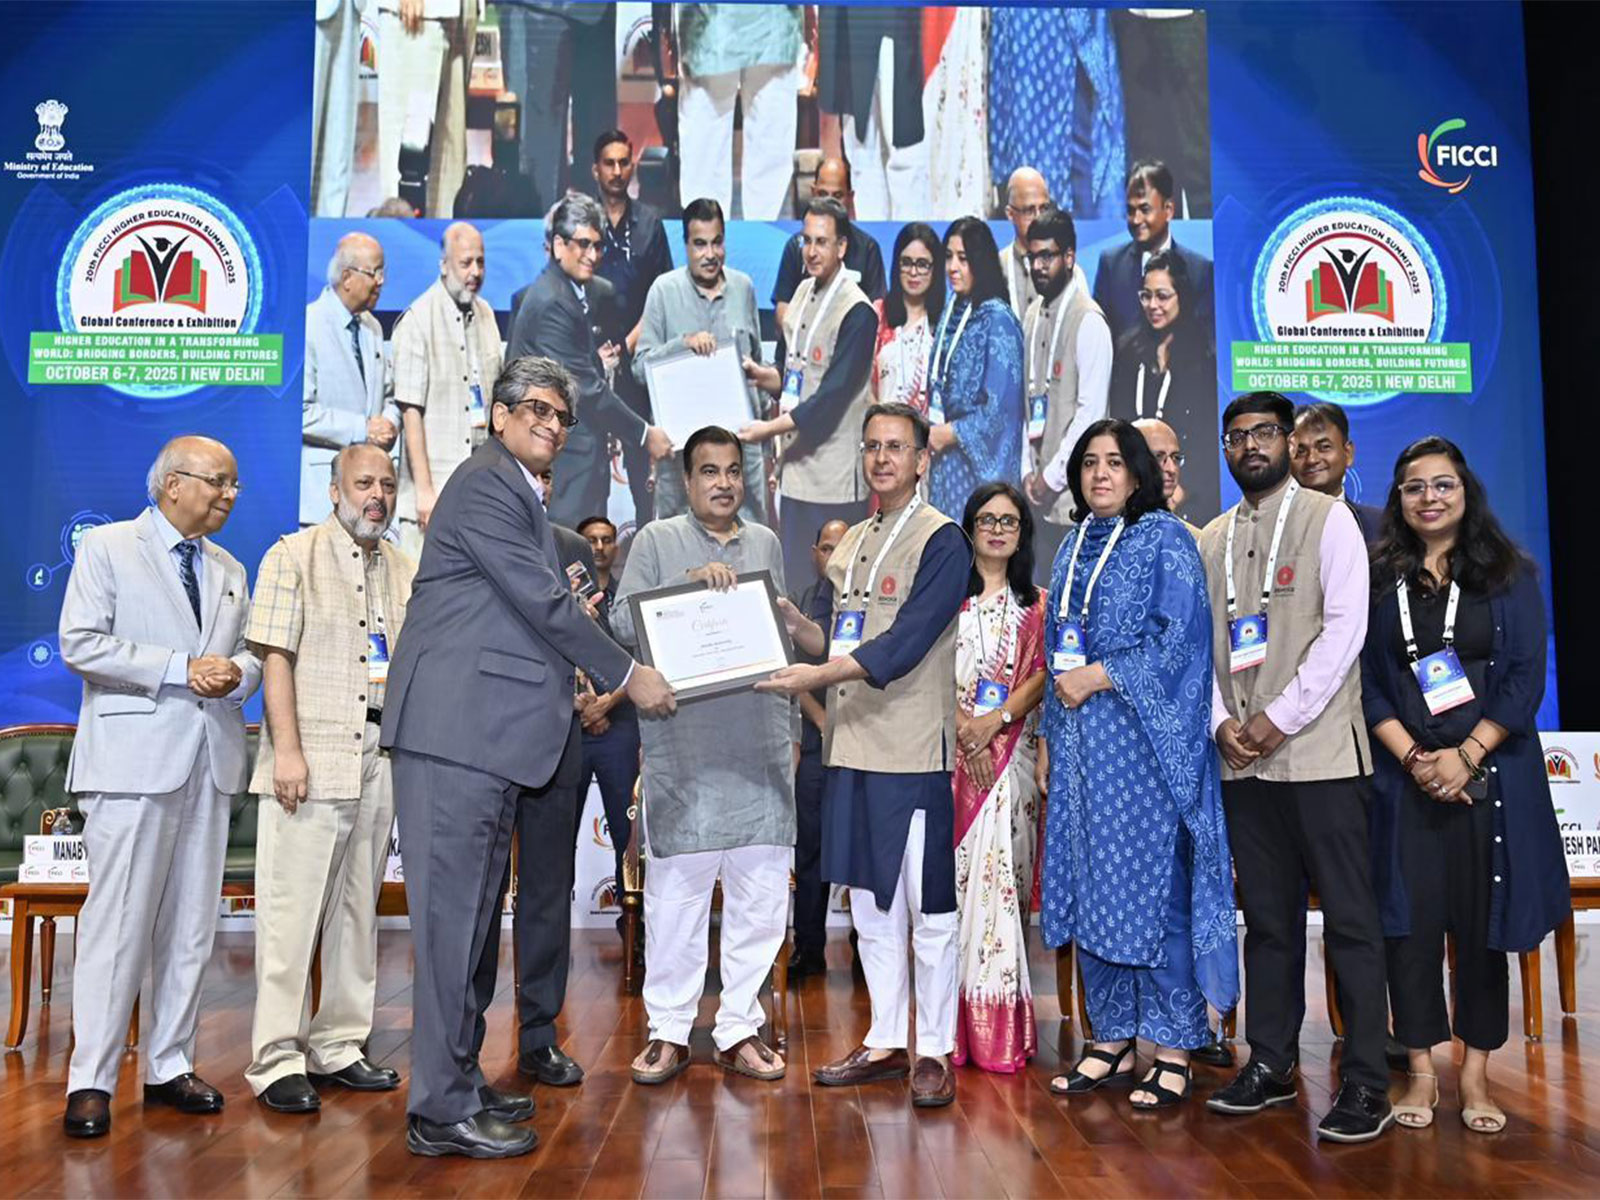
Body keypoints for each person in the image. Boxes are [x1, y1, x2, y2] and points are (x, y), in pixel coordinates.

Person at [379, 355, 676, 1158]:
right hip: (456, 734)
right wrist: (628, 674)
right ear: (500, 415)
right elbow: (544, 605)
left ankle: (458, 1081)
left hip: (489, 739)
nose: (550, 424)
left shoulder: (515, 491)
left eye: (561, 417)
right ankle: (439, 1111)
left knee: (472, 927)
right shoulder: (485, 483)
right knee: (450, 932)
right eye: (535, 409)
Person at [758, 402, 972, 1110]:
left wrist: (817, 673)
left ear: (922, 460)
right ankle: (885, 1040)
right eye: (872, 446)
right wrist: (795, 625)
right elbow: (840, 640)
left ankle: (932, 1049)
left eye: (896, 447)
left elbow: (904, 644)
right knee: (873, 909)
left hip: (911, 754)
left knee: (927, 909)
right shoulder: (851, 540)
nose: (882, 458)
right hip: (850, 749)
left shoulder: (944, 541)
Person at [1199, 392, 1394, 1143]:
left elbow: (1344, 632)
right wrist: (1220, 722)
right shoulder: (1212, 538)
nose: (1250, 445)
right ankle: (1272, 1064)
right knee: (1269, 923)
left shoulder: (1328, 519)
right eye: (1236, 436)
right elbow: (1199, 646)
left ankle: (1367, 1081)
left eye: (1264, 433)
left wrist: (1277, 719)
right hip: (1242, 764)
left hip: (1320, 757)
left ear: (1287, 441)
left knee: (1349, 921)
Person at [1362, 437, 1569, 1135]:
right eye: (1414, 487)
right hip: (1406, 784)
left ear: (1465, 490)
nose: (1429, 498)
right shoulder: (1380, 578)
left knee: (1483, 930)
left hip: (1491, 782)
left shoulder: (1508, 573)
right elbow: (1367, 682)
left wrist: (1466, 757)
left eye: (1442, 484)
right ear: (1399, 498)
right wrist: (1418, 759)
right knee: (1409, 931)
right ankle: (1421, 1071)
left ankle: (1476, 1076)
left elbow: (1525, 679)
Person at [59, 437, 261, 1139]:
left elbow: (248, 655)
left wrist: (239, 674)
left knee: (191, 927)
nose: (229, 494)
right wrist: (182, 667)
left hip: (210, 760)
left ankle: (169, 1064)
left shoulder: (230, 567)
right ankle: (91, 1078)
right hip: (131, 764)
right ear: (173, 483)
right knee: (117, 926)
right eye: (218, 481)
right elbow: (80, 643)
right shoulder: (108, 547)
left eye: (235, 484)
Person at [1036, 419, 1237, 1108]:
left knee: (1155, 895)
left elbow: (1180, 643)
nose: (1100, 474)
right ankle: (1111, 1038)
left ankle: (1174, 1045)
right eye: (1089, 462)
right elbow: (1055, 653)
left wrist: (1100, 676)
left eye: (1115, 462)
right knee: (1093, 890)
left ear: (1138, 474)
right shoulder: (1071, 546)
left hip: (1147, 754)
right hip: (1081, 756)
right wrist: (1048, 739)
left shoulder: (1166, 539)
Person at [609, 426, 795, 1084]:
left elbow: (778, 642)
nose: (723, 482)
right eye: (709, 471)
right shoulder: (657, 541)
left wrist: (793, 738)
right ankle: (668, 1031)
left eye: (733, 471)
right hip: (683, 752)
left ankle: (739, 1029)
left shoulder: (765, 542)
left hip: (759, 749)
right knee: (675, 906)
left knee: (759, 902)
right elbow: (621, 622)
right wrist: (685, 589)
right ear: (685, 481)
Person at [244, 444, 413, 1114]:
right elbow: (274, 659)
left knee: (357, 911)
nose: (377, 496)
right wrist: (286, 751)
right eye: (364, 483)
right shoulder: (293, 555)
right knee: (291, 918)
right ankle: (276, 1059)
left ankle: (339, 1044)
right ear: (335, 489)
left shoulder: (404, 565)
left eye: (388, 485)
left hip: (379, 754)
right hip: (310, 756)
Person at [950, 483, 1047, 1074]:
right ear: (969, 528)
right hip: (950, 764)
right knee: (954, 899)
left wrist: (996, 723)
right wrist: (967, 731)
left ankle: (999, 1032)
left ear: (1022, 534)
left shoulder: (1036, 606)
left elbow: (1040, 677)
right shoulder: (946, 602)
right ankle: (948, 1030)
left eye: (1008, 521)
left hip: (1012, 767)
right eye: (986, 519)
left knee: (1002, 894)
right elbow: (927, 672)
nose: (996, 529)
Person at [508, 193, 674, 528]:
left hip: (579, 462)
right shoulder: (553, 302)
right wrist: (644, 434)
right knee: (565, 552)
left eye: (598, 246)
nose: (593, 255)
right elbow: (585, 389)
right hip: (563, 466)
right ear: (558, 245)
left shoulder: (574, 292)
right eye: (583, 244)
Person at [739, 196, 878, 592]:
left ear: (842, 246)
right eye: (806, 240)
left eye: (822, 242)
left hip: (833, 478)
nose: (812, 251)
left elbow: (831, 398)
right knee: (796, 582)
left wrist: (766, 430)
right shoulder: (801, 292)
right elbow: (797, 379)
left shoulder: (858, 311)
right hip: (794, 471)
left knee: (833, 588)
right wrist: (761, 376)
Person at [633, 197, 768, 526]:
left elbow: (758, 369)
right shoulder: (663, 290)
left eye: (717, 242)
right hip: (681, 456)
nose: (710, 254)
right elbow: (640, 368)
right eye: (700, 244)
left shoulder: (744, 287)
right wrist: (682, 345)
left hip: (741, 452)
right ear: (686, 246)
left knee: (750, 541)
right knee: (678, 545)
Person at [393, 222, 504, 556]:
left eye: (480, 262)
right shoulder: (418, 318)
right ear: (444, 265)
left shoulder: (486, 314)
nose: (475, 272)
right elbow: (410, 412)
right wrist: (425, 491)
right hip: (434, 490)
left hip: (480, 487)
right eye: (466, 263)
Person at [592, 129, 677, 528]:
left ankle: (645, 539)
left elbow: (661, 295)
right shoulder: (583, 222)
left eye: (624, 163)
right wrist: (597, 354)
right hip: (591, 363)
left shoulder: (650, 224)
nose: (616, 171)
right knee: (591, 470)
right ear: (595, 169)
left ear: (633, 167)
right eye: (609, 163)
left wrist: (626, 345)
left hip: (637, 360)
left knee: (642, 468)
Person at [1018, 209, 1112, 565]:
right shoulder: (1031, 315)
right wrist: (1027, 473)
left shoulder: (1089, 320)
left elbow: (1090, 415)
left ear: (1069, 257)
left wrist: (1051, 479)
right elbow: (1024, 405)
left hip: (1074, 497)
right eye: (1032, 257)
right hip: (1035, 495)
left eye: (1047, 256)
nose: (1038, 266)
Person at [664, 2, 806, 220]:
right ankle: (705, 228)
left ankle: (762, 232)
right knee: (705, 140)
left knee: (770, 137)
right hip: (707, 24)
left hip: (776, 21)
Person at [1108, 251, 1219, 522]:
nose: (1153, 305)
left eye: (1162, 296)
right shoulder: (1127, 349)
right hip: (1132, 493)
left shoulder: (1203, 356)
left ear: (1182, 296)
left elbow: (1206, 439)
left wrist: (1178, 494)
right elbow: (1118, 423)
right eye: (1146, 296)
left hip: (1187, 497)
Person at [926, 217, 1026, 520]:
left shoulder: (998, 319)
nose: (952, 267)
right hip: (943, 462)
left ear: (980, 262)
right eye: (948, 257)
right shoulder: (952, 308)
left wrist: (952, 433)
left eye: (963, 258)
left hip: (974, 471)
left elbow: (1002, 410)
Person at [789, 517, 850, 977]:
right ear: (815, 554)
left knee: (861, 853)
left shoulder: (870, 600)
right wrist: (822, 719)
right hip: (816, 747)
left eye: (843, 547)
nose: (835, 556)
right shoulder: (801, 604)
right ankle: (808, 949)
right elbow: (789, 671)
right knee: (809, 853)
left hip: (864, 747)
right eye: (827, 548)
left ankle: (865, 951)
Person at [303, 233, 398, 527]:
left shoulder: (372, 327)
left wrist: (389, 423)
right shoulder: (308, 325)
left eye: (383, 272)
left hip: (369, 501)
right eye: (374, 272)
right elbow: (301, 412)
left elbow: (390, 395)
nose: (381, 281)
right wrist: (362, 429)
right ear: (347, 277)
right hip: (321, 495)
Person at [573, 514, 639, 899]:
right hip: (572, 726)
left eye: (606, 540)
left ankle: (631, 924)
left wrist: (605, 704)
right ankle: (554, 926)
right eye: (591, 540)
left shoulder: (626, 600)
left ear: (616, 546)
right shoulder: (560, 596)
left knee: (626, 832)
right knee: (557, 833)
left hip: (621, 726)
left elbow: (641, 662)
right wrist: (585, 707)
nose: (599, 547)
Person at [496, 1, 616, 212]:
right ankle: (536, 224)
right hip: (534, 10)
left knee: (597, 143)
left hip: (599, 14)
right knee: (535, 149)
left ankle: (595, 225)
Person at [815, 6, 926, 220]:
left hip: (899, 22)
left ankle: (912, 234)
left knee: (905, 152)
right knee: (861, 153)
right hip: (848, 24)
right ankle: (872, 232)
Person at [1093, 159, 1214, 342]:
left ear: (1169, 210)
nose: (1136, 219)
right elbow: (1100, 338)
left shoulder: (1199, 271)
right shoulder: (1111, 266)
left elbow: (1207, 344)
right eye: (1130, 210)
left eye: (1145, 209)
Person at [375, 0, 475, 217]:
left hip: (459, 11)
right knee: (407, 152)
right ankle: (398, 231)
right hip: (419, 14)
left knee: (450, 155)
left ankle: (443, 234)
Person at [771, 157, 888, 328]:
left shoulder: (868, 249)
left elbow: (877, 310)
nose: (829, 204)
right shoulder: (796, 246)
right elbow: (783, 307)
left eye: (837, 196)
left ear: (850, 197)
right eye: (822, 194)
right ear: (813, 193)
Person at [871, 222, 944, 416]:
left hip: (930, 431)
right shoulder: (878, 314)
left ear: (935, 269)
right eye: (906, 262)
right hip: (881, 426)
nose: (913, 272)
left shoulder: (946, 323)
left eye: (922, 264)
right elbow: (862, 385)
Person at [1291, 401, 1384, 544]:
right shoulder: (1269, 525)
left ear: (1348, 453)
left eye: (1324, 447)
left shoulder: (1381, 526)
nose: (1312, 459)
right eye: (1300, 451)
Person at [311, 0, 361, 218]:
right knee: (306, 133)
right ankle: (289, 229)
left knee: (340, 138)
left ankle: (330, 227)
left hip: (349, 8)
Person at [997, 167, 1051, 319]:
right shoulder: (995, 269)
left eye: (1044, 208)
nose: (1039, 218)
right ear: (1010, 214)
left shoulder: (1066, 270)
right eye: (1029, 211)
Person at [1133, 417, 1196, 530]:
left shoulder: (1188, 536)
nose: (1172, 469)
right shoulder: (1101, 529)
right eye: (1158, 457)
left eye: (1175, 457)